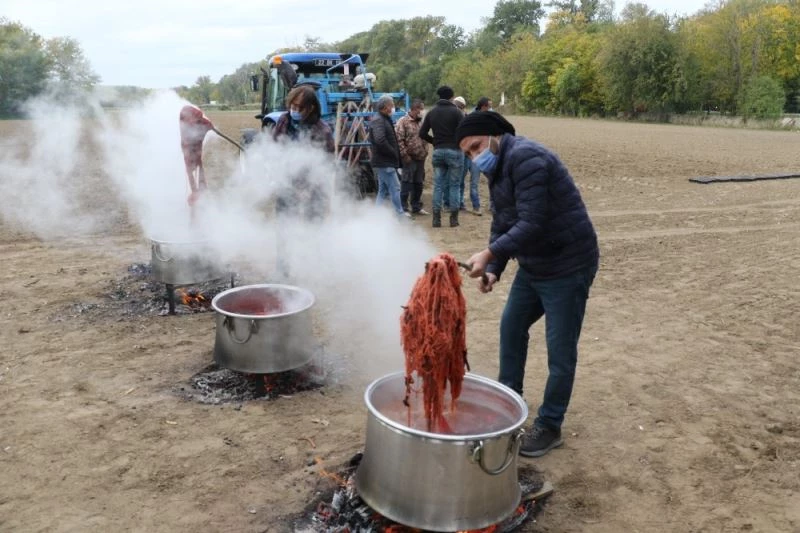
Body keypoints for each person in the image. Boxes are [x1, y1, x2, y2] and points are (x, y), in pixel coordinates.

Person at [457, 111, 599, 458]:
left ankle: (550, 426)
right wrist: (495, 268)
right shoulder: (497, 167)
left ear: (494, 136)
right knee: (511, 327)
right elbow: (505, 221)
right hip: (535, 265)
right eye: (468, 154)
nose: (475, 157)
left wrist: (489, 252)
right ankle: (509, 404)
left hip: (568, 265)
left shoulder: (527, 158)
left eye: (476, 147)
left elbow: (532, 221)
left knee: (560, 350)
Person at [271, 85, 336, 278]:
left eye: (300, 107)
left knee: (313, 229)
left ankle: (313, 269)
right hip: (286, 185)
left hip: (313, 190)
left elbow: (326, 164)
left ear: (311, 108)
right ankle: (283, 269)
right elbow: (274, 147)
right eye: (292, 105)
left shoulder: (322, 130)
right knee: (284, 228)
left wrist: (309, 187)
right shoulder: (284, 120)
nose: (294, 110)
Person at [419, 86, 464, 228]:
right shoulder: (457, 112)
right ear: (451, 97)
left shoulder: (432, 113)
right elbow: (465, 130)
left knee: (438, 186)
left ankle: (436, 219)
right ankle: (453, 219)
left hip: (438, 152)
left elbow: (422, 133)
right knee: (454, 185)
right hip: (454, 151)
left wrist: (435, 141)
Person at [369, 95, 409, 218]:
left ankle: (376, 215)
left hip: (385, 162)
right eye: (392, 105)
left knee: (383, 191)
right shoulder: (379, 120)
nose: (393, 108)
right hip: (385, 162)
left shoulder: (383, 119)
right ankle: (400, 215)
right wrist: (393, 152)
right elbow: (380, 140)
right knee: (396, 188)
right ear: (385, 107)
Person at [395, 99, 429, 215]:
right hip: (409, 158)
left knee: (418, 183)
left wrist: (425, 151)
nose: (422, 111)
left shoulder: (421, 122)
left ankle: (416, 206)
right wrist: (404, 155)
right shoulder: (403, 122)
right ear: (415, 109)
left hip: (421, 158)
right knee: (406, 182)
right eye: (421, 109)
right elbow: (399, 140)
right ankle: (403, 207)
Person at [179, 105, 215, 207]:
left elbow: (209, 125)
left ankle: (202, 192)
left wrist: (210, 127)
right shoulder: (184, 124)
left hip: (197, 151)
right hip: (188, 151)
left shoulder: (203, 123)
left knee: (199, 166)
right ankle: (195, 194)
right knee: (190, 169)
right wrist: (194, 191)